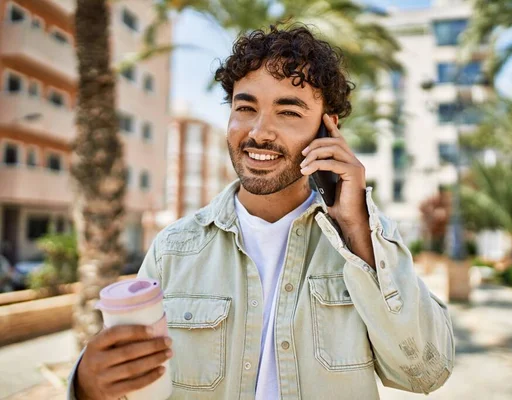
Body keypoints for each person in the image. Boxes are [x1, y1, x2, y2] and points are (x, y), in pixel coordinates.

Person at [68, 25, 454, 400]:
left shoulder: (367, 240)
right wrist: (88, 386)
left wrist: (355, 229)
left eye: (288, 112)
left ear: (327, 130)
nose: (259, 132)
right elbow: (133, 387)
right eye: (246, 107)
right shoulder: (173, 249)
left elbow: (425, 373)